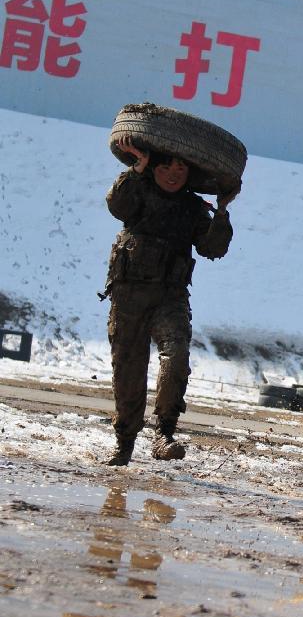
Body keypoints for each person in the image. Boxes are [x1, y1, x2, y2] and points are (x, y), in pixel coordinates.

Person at [103, 136, 238, 466]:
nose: (173, 174)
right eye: (165, 166)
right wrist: (137, 167)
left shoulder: (193, 208)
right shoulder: (137, 190)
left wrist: (222, 210)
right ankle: (125, 443)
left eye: (180, 168)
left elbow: (213, 248)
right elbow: (116, 205)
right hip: (129, 297)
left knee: (176, 356)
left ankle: (164, 432)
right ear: (154, 166)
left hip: (170, 298)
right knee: (129, 372)